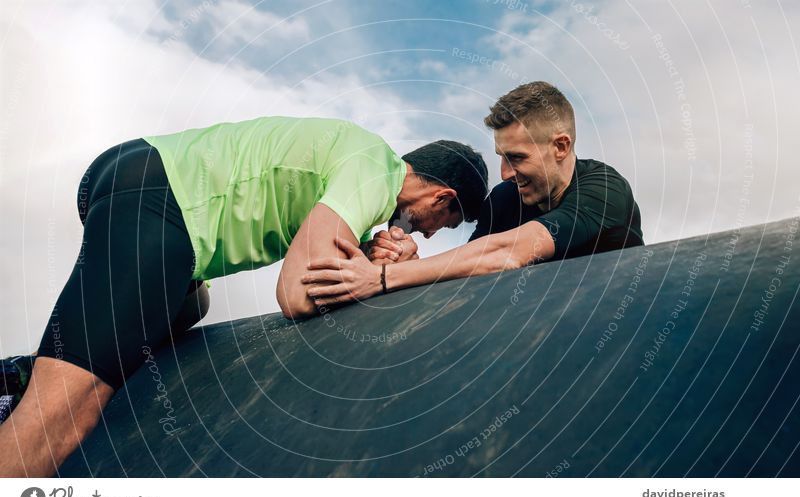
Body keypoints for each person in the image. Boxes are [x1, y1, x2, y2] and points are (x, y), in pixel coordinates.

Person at [0, 116, 488, 476]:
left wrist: (364, 254)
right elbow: (297, 293)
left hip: (139, 179)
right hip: (159, 197)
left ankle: (29, 371)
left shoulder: (365, 162)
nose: (425, 235)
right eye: (439, 224)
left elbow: (322, 248)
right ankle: (50, 385)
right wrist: (376, 276)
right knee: (59, 420)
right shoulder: (374, 175)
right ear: (442, 198)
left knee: (194, 305)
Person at [300, 82, 644, 306]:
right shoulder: (506, 200)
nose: (506, 174)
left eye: (517, 158)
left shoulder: (605, 190)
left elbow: (508, 252)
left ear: (560, 146)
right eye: (501, 158)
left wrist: (381, 278)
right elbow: (467, 270)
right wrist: (408, 264)